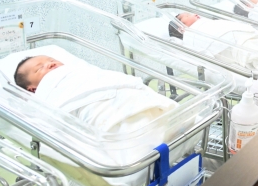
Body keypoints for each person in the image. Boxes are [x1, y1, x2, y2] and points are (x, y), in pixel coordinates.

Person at [13, 55, 176, 133]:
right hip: (96, 107)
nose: (49, 64)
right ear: (33, 89)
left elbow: (101, 77)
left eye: (51, 60)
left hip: (119, 91)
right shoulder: (46, 95)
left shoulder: (79, 72)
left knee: (139, 99)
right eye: (39, 68)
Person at [168, 12, 258, 72]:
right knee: (249, 48)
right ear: (181, 28)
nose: (194, 14)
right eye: (187, 16)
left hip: (239, 34)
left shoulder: (208, 23)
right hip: (232, 42)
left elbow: (225, 27)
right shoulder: (192, 36)